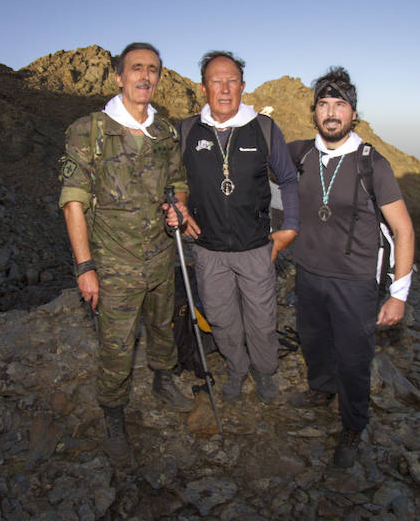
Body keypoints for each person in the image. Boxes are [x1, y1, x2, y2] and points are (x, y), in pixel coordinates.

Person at [59, 42, 195, 462]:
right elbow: (73, 201)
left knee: (162, 326)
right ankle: (114, 413)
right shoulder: (90, 130)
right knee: (117, 346)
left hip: (160, 255)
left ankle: (163, 378)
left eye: (152, 69)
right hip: (113, 264)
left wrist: (178, 207)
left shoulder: (165, 132)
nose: (145, 76)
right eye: (136, 68)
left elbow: (177, 182)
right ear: (119, 77)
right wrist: (85, 266)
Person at [287, 66, 415, 468]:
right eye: (323, 104)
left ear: (354, 114)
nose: (331, 112)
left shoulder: (372, 164)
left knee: (354, 358)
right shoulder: (300, 154)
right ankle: (321, 388)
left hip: (355, 282)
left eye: (339, 105)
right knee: (313, 341)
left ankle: (353, 425)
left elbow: (403, 229)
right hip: (308, 272)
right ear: (314, 112)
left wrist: (398, 295)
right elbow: (253, 157)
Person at [168, 51, 300, 403]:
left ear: (242, 86)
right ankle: (237, 368)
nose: (224, 89)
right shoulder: (186, 131)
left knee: (262, 318)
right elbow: (172, 180)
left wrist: (290, 226)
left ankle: (265, 370)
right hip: (208, 249)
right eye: (216, 81)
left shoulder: (264, 129)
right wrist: (178, 206)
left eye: (232, 81)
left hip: (256, 247)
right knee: (221, 318)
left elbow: (288, 179)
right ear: (203, 88)